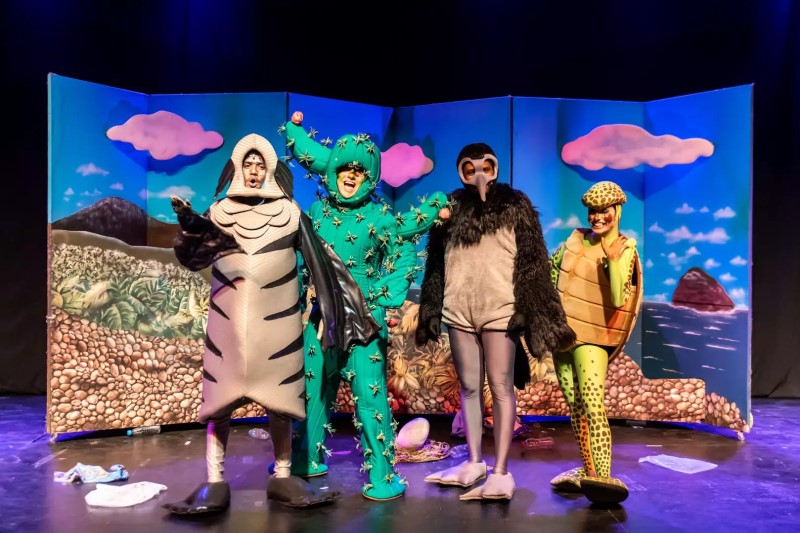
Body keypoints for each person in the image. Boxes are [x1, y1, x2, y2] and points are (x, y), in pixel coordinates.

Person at [162, 133, 379, 514]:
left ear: (270, 169)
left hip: (277, 328)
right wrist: (191, 224)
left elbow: (321, 263)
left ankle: (282, 475)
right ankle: (214, 480)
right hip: (227, 327)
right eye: (247, 164)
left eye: (260, 164)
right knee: (219, 405)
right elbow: (193, 256)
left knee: (280, 403)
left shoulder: (289, 213)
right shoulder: (220, 212)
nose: (253, 170)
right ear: (237, 166)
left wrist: (337, 313)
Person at [280, 111, 448, 501]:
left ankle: (383, 474)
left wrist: (436, 206)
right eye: (344, 168)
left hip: (365, 322)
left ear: (369, 177)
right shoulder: (317, 213)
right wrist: (297, 294)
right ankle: (306, 457)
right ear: (332, 171)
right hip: (322, 319)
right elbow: (304, 257)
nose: (351, 176)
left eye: (359, 170)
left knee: (370, 399)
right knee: (313, 388)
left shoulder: (378, 215)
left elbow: (404, 236)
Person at [416, 142, 575, 501]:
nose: (478, 174)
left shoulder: (515, 205)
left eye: (484, 166)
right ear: (461, 170)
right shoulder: (450, 207)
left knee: (501, 387)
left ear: (494, 167)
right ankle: (474, 462)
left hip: (500, 309)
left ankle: (501, 472)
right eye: (470, 168)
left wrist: (530, 309)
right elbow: (436, 262)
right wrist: (431, 307)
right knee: (469, 387)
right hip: (459, 310)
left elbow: (533, 262)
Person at [548, 180, 642, 505]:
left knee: (592, 404)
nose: (597, 217)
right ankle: (588, 471)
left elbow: (618, 298)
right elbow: (551, 274)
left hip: (592, 336)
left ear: (617, 211)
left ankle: (603, 476)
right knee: (574, 406)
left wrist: (613, 261)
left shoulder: (624, 249)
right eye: (593, 211)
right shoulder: (574, 241)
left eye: (604, 210)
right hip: (562, 333)